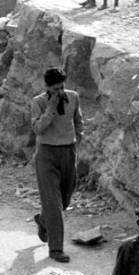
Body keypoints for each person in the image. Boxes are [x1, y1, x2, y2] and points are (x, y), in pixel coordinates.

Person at [30, 67, 83, 263]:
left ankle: (44, 220)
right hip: (46, 154)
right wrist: (51, 108)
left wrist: (78, 140)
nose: (59, 92)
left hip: (68, 152)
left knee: (64, 199)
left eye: (61, 87)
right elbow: (38, 128)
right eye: (55, 89)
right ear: (47, 87)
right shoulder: (38, 102)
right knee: (53, 202)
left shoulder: (73, 97)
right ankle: (56, 248)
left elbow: (78, 121)